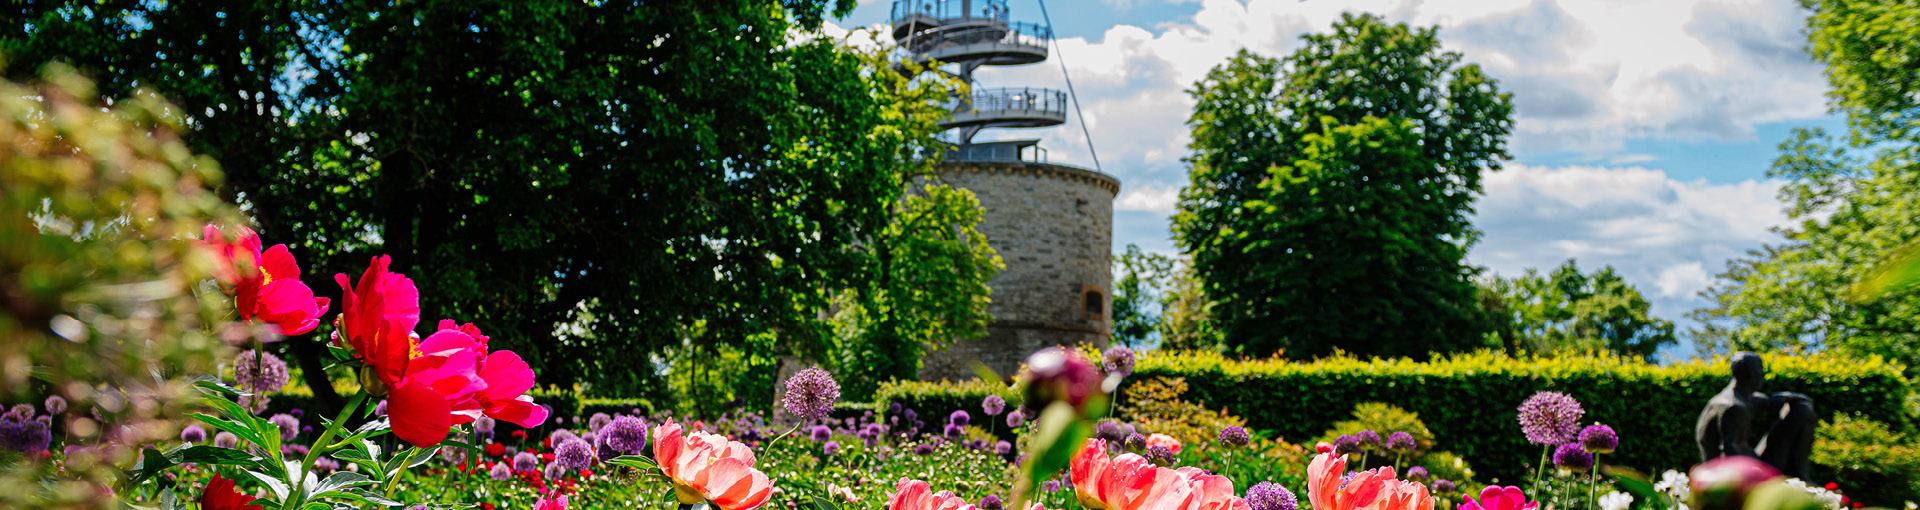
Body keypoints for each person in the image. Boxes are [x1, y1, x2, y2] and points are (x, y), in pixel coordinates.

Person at [1695, 352, 1816, 479]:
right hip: (1730, 474)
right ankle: (1800, 477)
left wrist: (1797, 398)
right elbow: (1729, 452)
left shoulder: (1748, 399)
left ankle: (1801, 476)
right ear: (1749, 374)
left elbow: (1772, 402)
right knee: (1803, 411)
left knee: (1802, 409)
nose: (1763, 374)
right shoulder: (1733, 406)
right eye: (1760, 370)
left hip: (1749, 461)